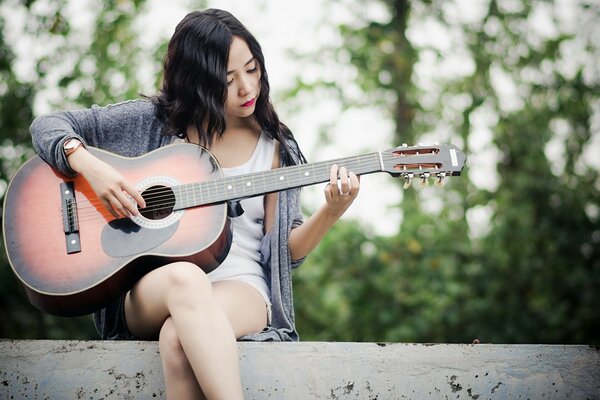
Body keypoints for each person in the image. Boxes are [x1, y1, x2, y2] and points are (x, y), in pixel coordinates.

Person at [30, 8, 359, 400]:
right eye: (228, 79)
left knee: (176, 339)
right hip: (157, 287)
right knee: (187, 279)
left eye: (252, 69)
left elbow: (283, 252)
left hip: (242, 286)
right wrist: (90, 166)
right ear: (196, 82)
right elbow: (47, 125)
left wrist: (331, 212)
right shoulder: (152, 123)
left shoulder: (276, 146)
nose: (247, 88)